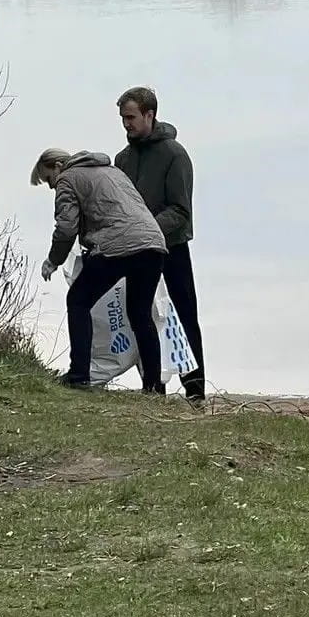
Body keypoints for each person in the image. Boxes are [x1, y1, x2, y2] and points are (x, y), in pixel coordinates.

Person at [32, 147, 168, 392]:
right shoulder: (112, 171)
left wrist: (54, 260)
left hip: (118, 245)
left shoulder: (67, 179)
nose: (52, 187)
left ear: (57, 166)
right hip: (153, 243)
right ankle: (154, 386)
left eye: (48, 180)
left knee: (78, 301)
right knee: (140, 314)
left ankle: (79, 375)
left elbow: (66, 227)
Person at [114, 86, 206, 401]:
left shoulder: (175, 155)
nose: (126, 124)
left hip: (172, 249)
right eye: (123, 118)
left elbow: (181, 211)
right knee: (142, 315)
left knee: (183, 315)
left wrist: (148, 229)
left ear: (149, 115)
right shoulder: (122, 159)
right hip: (137, 252)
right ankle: (153, 388)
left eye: (131, 117)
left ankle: (195, 392)